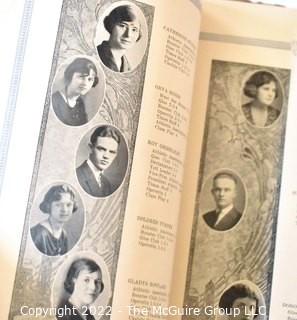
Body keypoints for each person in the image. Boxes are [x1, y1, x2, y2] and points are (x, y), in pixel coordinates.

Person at [30, 184, 78, 256]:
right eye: (58, 205)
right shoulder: (40, 234)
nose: (64, 210)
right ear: (49, 206)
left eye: (68, 205)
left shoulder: (63, 234)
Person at [52, 57, 99, 126]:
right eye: (81, 77)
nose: (85, 83)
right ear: (70, 76)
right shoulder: (55, 101)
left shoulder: (80, 103)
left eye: (90, 79)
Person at [76, 125, 120, 197]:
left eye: (112, 152)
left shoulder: (106, 183)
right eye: (101, 149)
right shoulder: (79, 176)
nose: (106, 156)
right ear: (91, 148)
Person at [97, 5, 142, 72]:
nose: (128, 35)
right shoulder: (97, 54)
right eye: (122, 26)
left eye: (134, 29)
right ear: (110, 25)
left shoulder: (128, 67)